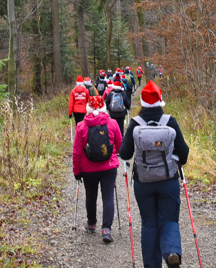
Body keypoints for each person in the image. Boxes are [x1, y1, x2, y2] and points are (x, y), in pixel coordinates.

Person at [119, 80, 189, 268]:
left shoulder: (135, 124)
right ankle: (172, 251)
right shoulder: (170, 122)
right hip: (168, 181)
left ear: (142, 102)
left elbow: (125, 154)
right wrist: (174, 161)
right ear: (160, 102)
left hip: (144, 182)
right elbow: (184, 152)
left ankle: (152, 265)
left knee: (149, 223)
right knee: (169, 219)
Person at [72, 95, 122, 243]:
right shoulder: (112, 123)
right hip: (109, 167)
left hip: (88, 169)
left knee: (91, 196)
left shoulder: (81, 126)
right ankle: (106, 229)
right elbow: (120, 146)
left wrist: (76, 171)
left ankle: (91, 224)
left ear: (88, 108)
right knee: (108, 197)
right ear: (103, 108)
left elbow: (76, 152)